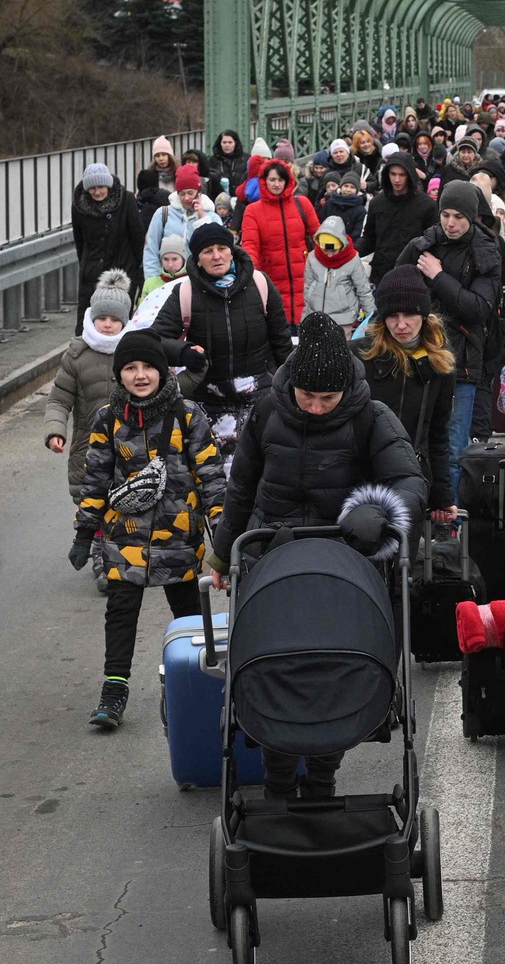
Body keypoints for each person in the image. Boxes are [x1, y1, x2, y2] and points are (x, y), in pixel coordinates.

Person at [207, 312, 428, 798]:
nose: (315, 407)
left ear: (345, 389)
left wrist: (380, 512)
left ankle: (325, 772)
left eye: (327, 399)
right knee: (275, 665)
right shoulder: (268, 412)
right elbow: (242, 488)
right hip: (273, 559)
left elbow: (410, 482)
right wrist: (223, 556)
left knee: (335, 673)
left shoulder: (372, 417)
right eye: (307, 396)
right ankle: (278, 775)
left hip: (347, 561)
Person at [69, 329, 221, 729]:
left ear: (162, 371)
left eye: (148, 367)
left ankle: (199, 683)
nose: (140, 375)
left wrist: (222, 531)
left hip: (178, 535)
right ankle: (114, 689)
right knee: (120, 610)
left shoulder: (187, 415)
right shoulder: (108, 418)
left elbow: (211, 477)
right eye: (130, 368)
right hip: (125, 537)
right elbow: (96, 478)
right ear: (119, 374)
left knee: (188, 615)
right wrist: (85, 532)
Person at [393, 179, 504, 500]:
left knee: (453, 448)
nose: (451, 223)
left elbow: (479, 308)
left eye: (458, 216)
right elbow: (395, 288)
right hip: (417, 357)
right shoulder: (422, 245)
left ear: (471, 218)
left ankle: (449, 519)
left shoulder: (486, 250)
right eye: (446, 215)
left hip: (462, 363)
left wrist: (437, 277)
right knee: (411, 442)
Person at [151, 223, 294, 427]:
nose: (216, 256)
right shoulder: (185, 293)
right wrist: (184, 353)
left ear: (232, 252)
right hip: (208, 401)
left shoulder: (260, 284)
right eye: (208, 251)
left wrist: (288, 386)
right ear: (198, 259)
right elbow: (155, 340)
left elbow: (282, 341)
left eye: (222, 248)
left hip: (262, 396)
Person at [355, 266, 458, 524]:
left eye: (409, 314)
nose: (401, 325)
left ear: (423, 315)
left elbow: (437, 434)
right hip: (362, 476)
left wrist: (441, 496)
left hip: (412, 478)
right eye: (392, 316)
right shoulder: (359, 355)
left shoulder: (440, 364)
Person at [44, 270, 128, 563]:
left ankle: (112, 554)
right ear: (92, 318)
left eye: (114, 320)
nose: (107, 324)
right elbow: (59, 398)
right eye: (102, 318)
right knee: (90, 501)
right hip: (87, 448)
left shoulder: (134, 353)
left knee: (125, 500)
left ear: (124, 322)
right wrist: (56, 431)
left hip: (129, 446)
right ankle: (99, 551)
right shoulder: (77, 355)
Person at [240, 159, 320, 330]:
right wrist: (249, 270)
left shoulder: (302, 204)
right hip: (271, 280)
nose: (276, 184)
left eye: (280, 180)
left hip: (304, 280)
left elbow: (319, 237)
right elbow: (250, 245)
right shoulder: (253, 211)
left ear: (288, 181)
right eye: (272, 179)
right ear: (264, 181)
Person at [70, 163, 146, 335]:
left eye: (101, 187)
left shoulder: (126, 200)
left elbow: (137, 236)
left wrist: (140, 270)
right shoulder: (79, 206)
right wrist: (86, 265)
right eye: (92, 188)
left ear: (109, 186)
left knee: (118, 322)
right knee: (87, 323)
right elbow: (79, 241)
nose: (97, 192)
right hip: (92, 274)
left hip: (122, 272)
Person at [358, 150, 438, 283]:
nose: (397, 180)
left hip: (413, 277)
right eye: (393, 174)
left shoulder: (427, 205)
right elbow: (369, 239)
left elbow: (433, 243)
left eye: (402, 175)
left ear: (410, 175)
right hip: (381, 274)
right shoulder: (377, 203)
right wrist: (352, 249)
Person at [142, 165, 221, 288]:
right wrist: (152, 282)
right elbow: (151, 249)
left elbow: (216, 247)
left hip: (201, 283)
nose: (186, 198)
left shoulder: (212, 217)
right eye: (181, 194)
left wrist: (202, 216)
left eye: (190, 193)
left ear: (199, 192)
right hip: (166, 282)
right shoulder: (163, 214)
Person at [301, 216, 375, 331]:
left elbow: (364, 291)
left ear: (342, 244)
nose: (329, 255)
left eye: (333, 251)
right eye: (325, 250)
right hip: (315, 318)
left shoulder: (352, 260)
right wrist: (305, 318)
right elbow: (307, 288)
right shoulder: (312, 258)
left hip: (343, 321)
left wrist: (372, 321)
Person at [207, 130, 251, 199]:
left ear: (235, 143)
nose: (227, 145)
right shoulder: (213, 161)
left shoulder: (246, 159)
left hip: (240, 198)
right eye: (224, 142)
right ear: (220, 144)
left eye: (230, 142)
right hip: (219, 200)